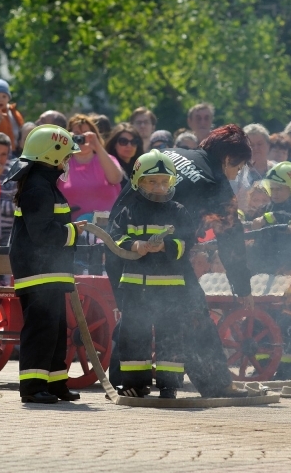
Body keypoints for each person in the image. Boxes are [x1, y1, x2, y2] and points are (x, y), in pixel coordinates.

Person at [108, 125, 253, 398]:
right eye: (239, 166)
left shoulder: (171, 153)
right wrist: (243, 286)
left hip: (121, 246)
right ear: (227, 159)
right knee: (194, 314)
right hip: (165, 263)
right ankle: (216, 384)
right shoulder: (215, 183)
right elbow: (231, 240)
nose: (237, 173)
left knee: (133, 319)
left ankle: (125, 383)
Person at [5, 124, 86, 404]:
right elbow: (42, 233)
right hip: (38, 273)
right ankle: (32, 386)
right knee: (41, 330)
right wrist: (73, 232)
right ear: (52, 156)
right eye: (65, 157)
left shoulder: (44, 185)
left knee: (56, 330)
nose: (67, 162)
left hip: (49, 272)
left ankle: (55, 383)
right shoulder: (38, 188)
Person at [108, 150, 194, 399]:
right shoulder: (129, 211)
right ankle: (136, 384)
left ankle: (169, 385)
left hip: (170, 288)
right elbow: (116, 237)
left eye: (164, 181)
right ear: (138, 182)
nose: (159, 187)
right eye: (152, 181)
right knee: (134, 335)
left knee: (171, 335)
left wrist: (166, 246)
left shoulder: (178, 211)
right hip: (136, 287)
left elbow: (188, 242)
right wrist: (135, 245)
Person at [58, 114, 123, 221]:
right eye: (76, 134)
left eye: (85, 133)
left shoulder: (107, 159)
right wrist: (65, 145)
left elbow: (116, 179)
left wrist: (97, 146)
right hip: (72, 226)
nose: (81, 138)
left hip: (106, 226)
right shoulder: (62, 162)